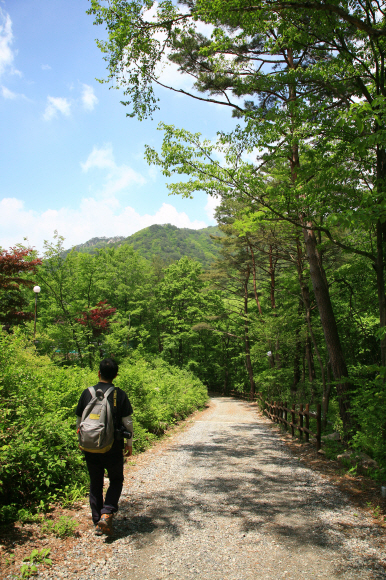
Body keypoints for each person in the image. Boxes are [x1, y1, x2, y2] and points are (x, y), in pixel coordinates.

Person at [76, 358, 133, 536]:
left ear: (98, 373)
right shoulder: (119, 395)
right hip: (113, 446)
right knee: (116, 479)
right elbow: (128, 422)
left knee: (95, 482)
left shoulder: (87, 393)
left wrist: (81, 440)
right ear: (116, 375)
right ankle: (107, 512)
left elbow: (79, 421)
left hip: (90, 445)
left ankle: (96, 521)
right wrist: (129, 443)